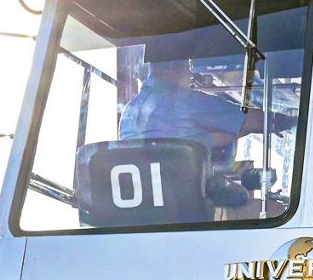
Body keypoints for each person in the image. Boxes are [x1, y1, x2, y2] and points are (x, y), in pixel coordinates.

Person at [119, 59, 296, 206]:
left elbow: (215, 138)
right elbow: (253, 121)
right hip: (189, 202)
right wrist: (291, 121)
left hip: (153, 207)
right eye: (188, 68)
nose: (191, 76)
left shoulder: (128, 114)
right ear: (171, 68)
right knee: (276, 210)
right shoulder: (182, 101)